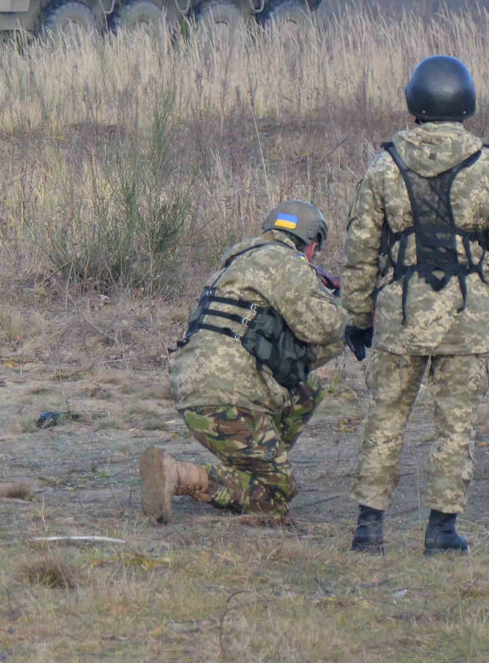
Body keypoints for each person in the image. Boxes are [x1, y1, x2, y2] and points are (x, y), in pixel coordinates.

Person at [338, 55, 489, 555]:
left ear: (414, 102)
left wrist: (358, 318)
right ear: (466, 102)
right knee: (455, 425)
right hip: (468, 317)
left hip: (401, 313)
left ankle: (369, 528)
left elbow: (360, 251)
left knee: (385, 417)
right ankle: (442, 529)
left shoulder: (384, 167)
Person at [145, 200, 346, 523]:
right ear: (312, 244)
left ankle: (255, 463)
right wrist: (350, 309)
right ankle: (181, 475)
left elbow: (285, 348)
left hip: (194, 391)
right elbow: (323, 327)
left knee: (306, 387)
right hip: (228, 398)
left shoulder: (236, 262)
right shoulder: (285, 263)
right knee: (275, 496)